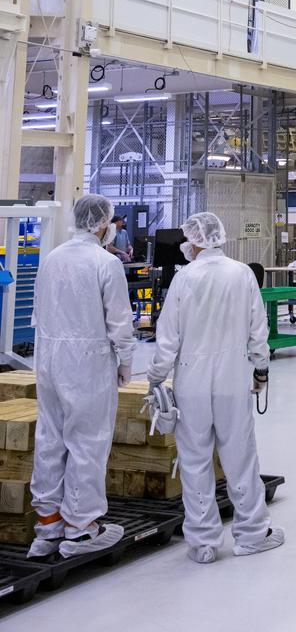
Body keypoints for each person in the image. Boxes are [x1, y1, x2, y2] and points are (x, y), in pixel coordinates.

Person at [147, 211, 283, 564]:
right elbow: (258, 330)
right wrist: (262, 371)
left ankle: (204, 542)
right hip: (233, 377)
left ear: (194, 241)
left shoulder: (184, 279)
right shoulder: (242, 275)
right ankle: (253, 533)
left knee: (193, 461)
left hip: (190, 379)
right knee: (240, 457)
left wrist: (156, 379)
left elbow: (167, 338)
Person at [29, 193, 135, 559]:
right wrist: (125, 362)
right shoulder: (105, 264)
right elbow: (119, 322)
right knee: (87, 441)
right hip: (87, 362)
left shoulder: (52, 258)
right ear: (103, 223)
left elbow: (38, 312)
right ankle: (81, 527)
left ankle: (48, 523)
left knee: (50, 436)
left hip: (49, 358)